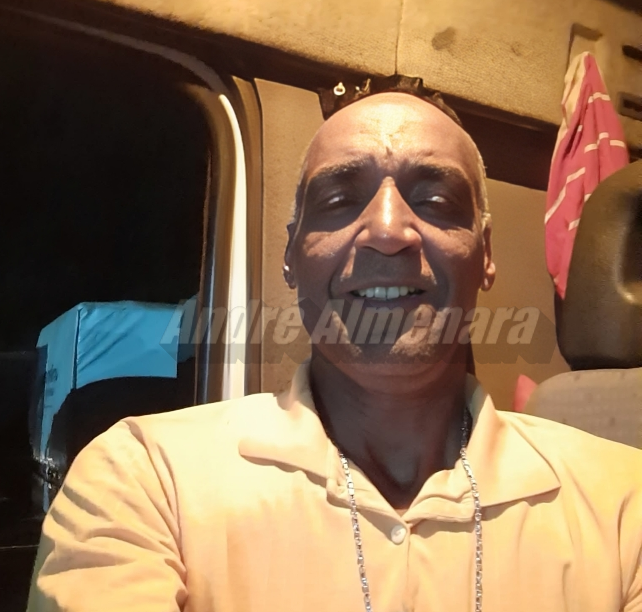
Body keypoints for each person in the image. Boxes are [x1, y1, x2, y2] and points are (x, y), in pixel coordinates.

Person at [27, 80, 642, 612]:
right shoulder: (143, 478)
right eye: (341, 200)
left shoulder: (625, 503)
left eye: (435, 201)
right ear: (292, 256)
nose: (388, 231)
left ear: (485, 256)